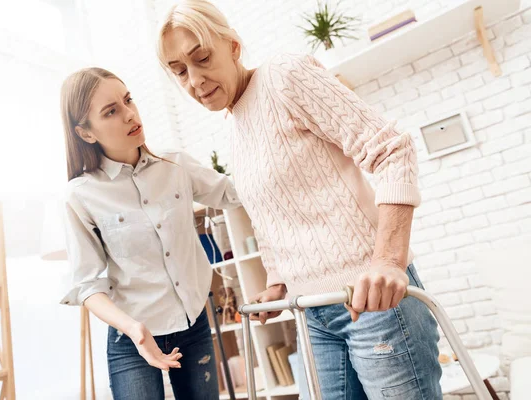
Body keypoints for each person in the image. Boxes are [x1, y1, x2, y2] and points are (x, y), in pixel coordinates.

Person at [157, 1, 442, 399]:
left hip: (374, 304)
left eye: (202, 58)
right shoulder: (237, 126)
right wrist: (277, 282)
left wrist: (389, 261)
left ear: (233, 46)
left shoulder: (284, 76)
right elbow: (271, 215)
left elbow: (392, 150)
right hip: (311, 311)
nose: (194, 79)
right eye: (180, 71)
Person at [59, 66, 240, 400]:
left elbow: (234, 193)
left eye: (128, 100)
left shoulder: (176, 166)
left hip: (193, 326)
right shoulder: (80, 196)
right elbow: (88, 286)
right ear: (85, 133)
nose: (129, 115)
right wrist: (134, 330)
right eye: (111, 112)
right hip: (132, 339)